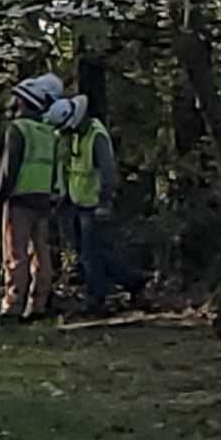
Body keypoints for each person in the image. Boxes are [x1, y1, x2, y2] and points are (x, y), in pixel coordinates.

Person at [0, 77, 72, 326]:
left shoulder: (18, 129)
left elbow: (8, 169)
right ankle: (38, 303)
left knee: (15, 254)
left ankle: (13, 304)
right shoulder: (49, 134)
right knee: (40, 253)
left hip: (19, 198)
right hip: (42, 199)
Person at [65, 93, 144, 314]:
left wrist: (104, 201)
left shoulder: (97, 137)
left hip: (94, 204)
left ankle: (96, 299)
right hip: (79, 202)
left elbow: (108, 173)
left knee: (92, 256)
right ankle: (133, 281)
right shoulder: (78, 136)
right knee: (95, 254)